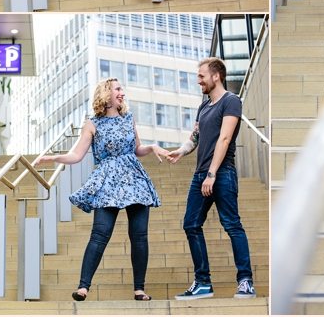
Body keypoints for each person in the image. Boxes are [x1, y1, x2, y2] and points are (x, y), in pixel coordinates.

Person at [37, 78, 169, 302]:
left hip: (134, 179)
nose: (122, 93)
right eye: (118, 89)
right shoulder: (92, 123)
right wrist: (53, 157)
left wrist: (152, 146)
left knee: (139, 236)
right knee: (99, 234)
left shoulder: (129, 118)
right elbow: (76, 155)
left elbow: (137, 148)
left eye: (122, 89)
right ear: (106, 94)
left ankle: (139, 289)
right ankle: (83, 287)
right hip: (107, 180)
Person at [166, 57, 256, 300]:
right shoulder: (204, 106)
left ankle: (245, 280)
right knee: (190, 224)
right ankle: (203, 282)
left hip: (222, 173)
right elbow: (195, 136)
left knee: (232, 225)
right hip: (200, 175)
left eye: (201, 76)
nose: (199, 81)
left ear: (216, 76)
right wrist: (181, 151)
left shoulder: (231, 101)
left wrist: (212, 174)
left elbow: (225, 139)